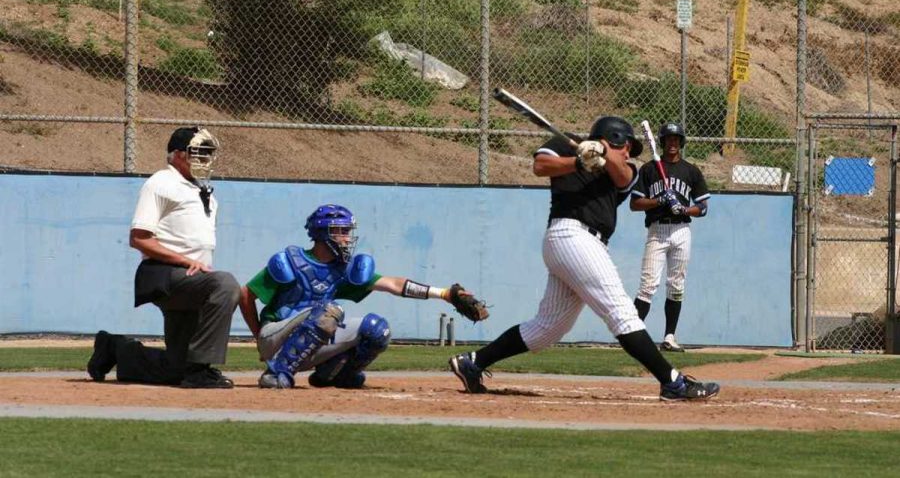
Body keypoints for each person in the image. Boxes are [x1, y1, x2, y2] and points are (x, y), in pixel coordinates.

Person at [448, 116, 720, 402]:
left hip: (586, 244)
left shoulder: (625, 169)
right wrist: (578, 161)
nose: (629, 153)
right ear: (614, 137)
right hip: (570, 235)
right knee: (622, 312)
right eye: (626, 146)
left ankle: (473, 363)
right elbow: (540, 166)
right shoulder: (568, 144)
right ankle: (672, 383)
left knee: (549, 327)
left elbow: (624, 176)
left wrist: (601, 154)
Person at [240, 203, 487, 389]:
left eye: (348, 230)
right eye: (341, 231)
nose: (348, 237)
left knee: (377, 329)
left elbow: (392, 284)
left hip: (313, 337)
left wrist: (443, 294)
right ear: (322, 232)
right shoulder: (290, 261)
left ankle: (337, 374)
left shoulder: (342, 269)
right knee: (330, 311)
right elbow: (246, 295)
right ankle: (277, 373)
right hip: (276, 338)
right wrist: (259, 339)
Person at [87, 126, 240, 388]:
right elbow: (140, 238)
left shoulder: (203, 190)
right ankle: (201, 369)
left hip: (191, 280)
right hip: (163, 275)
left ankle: (114, 348)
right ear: (179, 155)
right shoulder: (161, 183)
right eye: (199, 153)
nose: (205, 159)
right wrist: (184, 261)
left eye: (208, 153)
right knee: (225, 284)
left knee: (175, 369)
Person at [630, 122, 710, 352]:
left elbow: (702, 207)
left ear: (681, 142)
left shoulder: (691, 171)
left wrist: (684, 209)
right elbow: (635, 204)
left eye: (676, 139)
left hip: (681, 231)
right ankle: (633, 336)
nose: (672, 143)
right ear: (662, 142)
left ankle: (669, 336)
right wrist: (660, 201)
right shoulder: (649, 169)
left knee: (676, 286)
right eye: (668, 139)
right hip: (657, 230)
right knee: (648, 286)